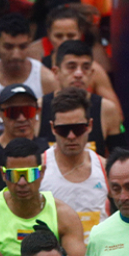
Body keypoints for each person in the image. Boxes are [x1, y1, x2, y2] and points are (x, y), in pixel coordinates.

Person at [39, 88, 110, 238]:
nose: (71, 136)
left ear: (90, 125)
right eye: (63, 130)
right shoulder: (39, 167)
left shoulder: (105, 167)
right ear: (52, 128)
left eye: (78, 129)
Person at [39, 41, 125, 156]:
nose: (79, 73)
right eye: (71, 67)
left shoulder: (107, 109)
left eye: (85, 67)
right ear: (56, 72)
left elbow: (120, 160)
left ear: (91, 73)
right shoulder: (39, 108)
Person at [27, 6, 120, 109]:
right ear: (49, 34)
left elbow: (115, 112)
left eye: (71, 35)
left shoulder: (95, 69)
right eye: (59, 36)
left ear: (80, 34)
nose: (65, 40)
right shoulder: (34, 62)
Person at [0, 13, 58, 111]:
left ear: (29, 43)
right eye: (9, 47)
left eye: (22, 47)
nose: (16, 55)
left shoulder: (47, 80)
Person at [0, 83, 40, 194]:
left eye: (28, 111)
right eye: (13, 112)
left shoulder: (48, 150)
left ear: (37, 112)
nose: (21, 118)